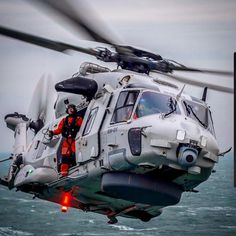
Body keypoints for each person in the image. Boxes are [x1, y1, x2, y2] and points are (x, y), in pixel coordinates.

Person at [49, 104, 83, 177]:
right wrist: (52, 132)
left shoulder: (78, 119)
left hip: (75, 139)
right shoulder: (64, 120)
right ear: (67, 110)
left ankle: (76, 167)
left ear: (74, 109)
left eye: (72, 108)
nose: (71, 110)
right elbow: (59, 129)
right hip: (67, 141)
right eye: (69, 109)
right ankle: (63, 172)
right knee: (65, 156)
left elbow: (82, 127)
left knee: (75, 153)